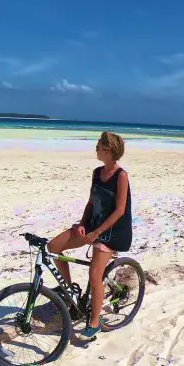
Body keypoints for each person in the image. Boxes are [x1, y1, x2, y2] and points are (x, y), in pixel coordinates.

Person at [48, 131, 133, 339]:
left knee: (95, 275)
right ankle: (70, 293)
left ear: (109, 150)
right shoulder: (97, 172)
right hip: (93, 226)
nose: (95, 149)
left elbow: (120, 210)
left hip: (113, 232)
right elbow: (91, 203)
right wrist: (83, 224)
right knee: (54, 247)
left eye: (98, 146)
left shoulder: (121, 176)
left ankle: (94, 323)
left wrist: (97, 232)